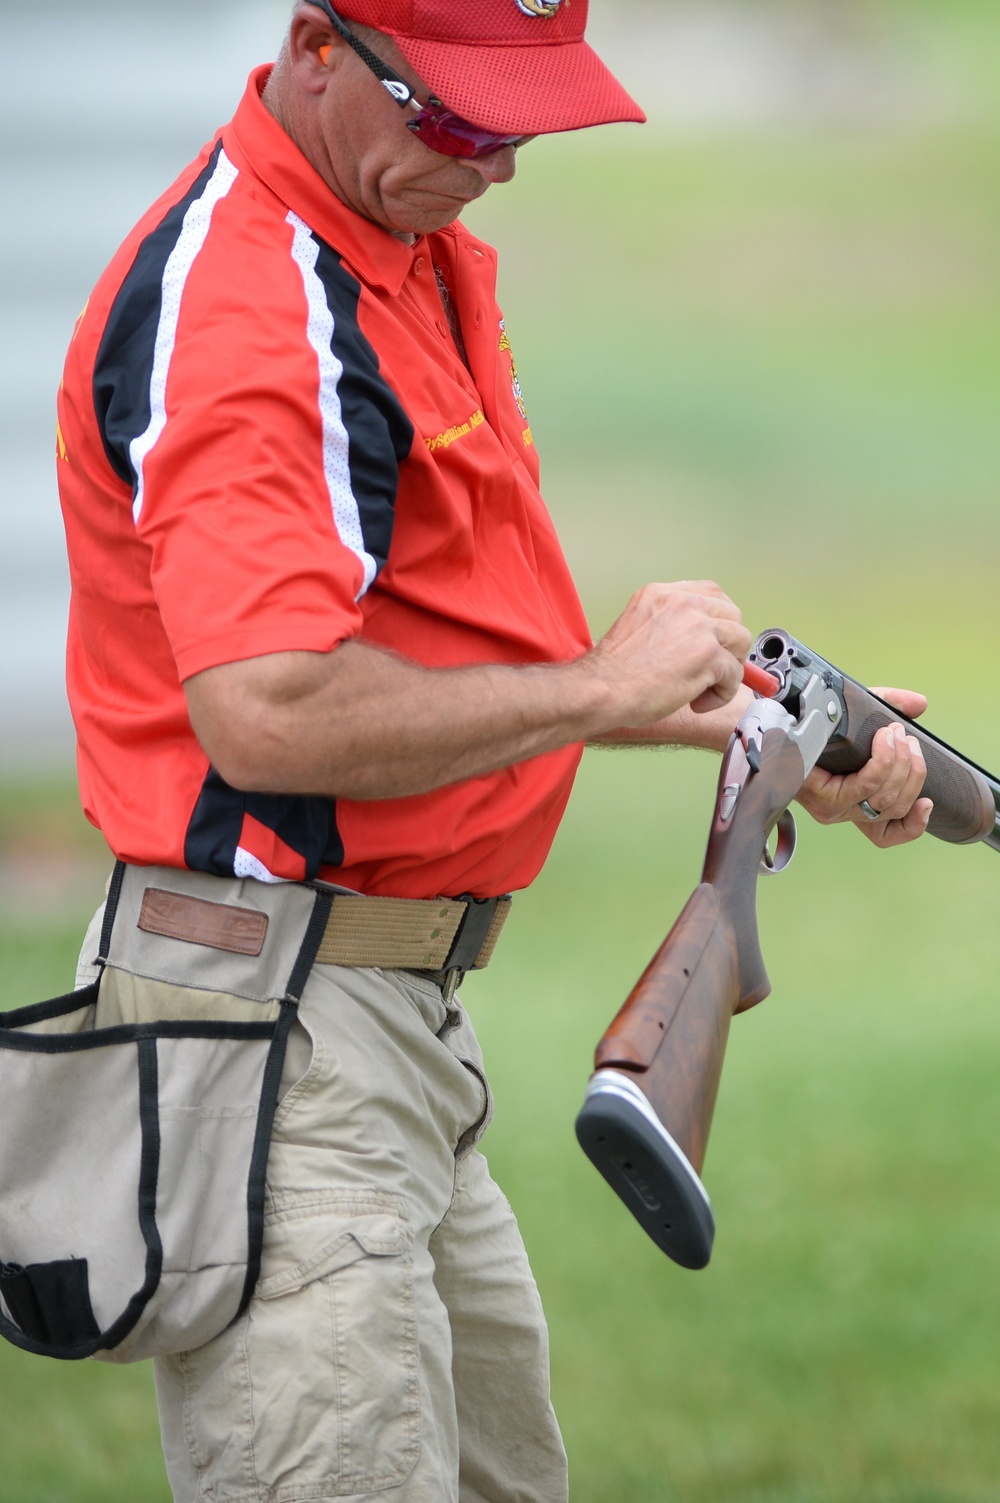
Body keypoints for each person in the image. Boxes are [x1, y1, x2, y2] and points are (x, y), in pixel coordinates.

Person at [56, 3, 932, 1498]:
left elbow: (437, 651)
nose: (497, 163)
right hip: (282, 1032)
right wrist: (598, 686)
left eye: (519, 121)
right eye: (457, 117)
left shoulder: (398, 243)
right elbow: (264, 709)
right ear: (315, 47)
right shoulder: (256, 309)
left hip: (380, 1023)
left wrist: (750, 721)